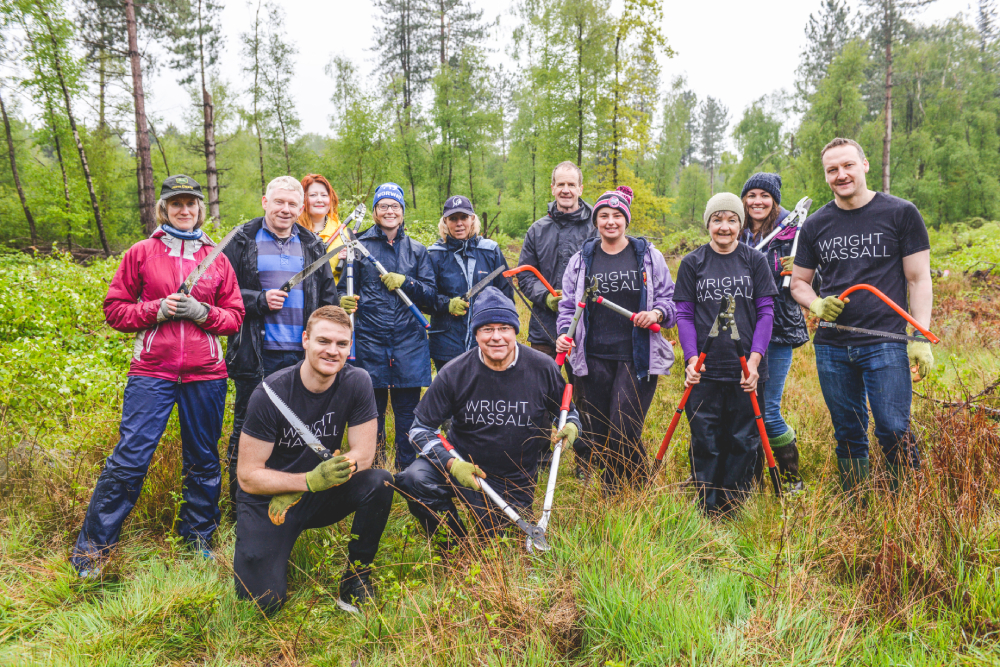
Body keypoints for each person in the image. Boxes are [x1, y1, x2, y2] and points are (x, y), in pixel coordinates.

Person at [71, 175, 245, 575]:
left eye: (191, 203)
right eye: (176, 203)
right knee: (129, 461)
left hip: (207, 374)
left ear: (201, 208)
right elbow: (115, 310)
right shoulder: (141, 253)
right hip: (153, 372)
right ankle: (93, 553)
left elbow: (235, 316)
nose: (184, 210)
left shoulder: (216, 257)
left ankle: (197, 540)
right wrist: (156, 310)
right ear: (163, 208)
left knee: (202, 461)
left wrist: (204, 314)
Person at [790, 138, 933, 494]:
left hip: (886, 341)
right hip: (832, 345)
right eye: (832, 170)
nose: (841, 175)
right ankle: (857, 505)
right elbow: (798, 284)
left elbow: (918, 279)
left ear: (865, 165)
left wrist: (920, 336)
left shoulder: (901, 213)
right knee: (848, 431)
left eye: (848, 165)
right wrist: (817, 304)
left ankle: (906, 506)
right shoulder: (816, 225)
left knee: (893, 427)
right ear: (825, 175)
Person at [234, 306, 393, 614]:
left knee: (380, 481)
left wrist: (322, 479)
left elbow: (364, 454)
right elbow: (247, 475)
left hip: (321, 493)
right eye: (323, 341)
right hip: (271, 500)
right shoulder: (270, 394)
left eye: (342, 344)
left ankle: (356, 578)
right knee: (262, 603)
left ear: (350, 346)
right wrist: (304, 481)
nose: (332, 351)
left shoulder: (357, 381)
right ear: (305, 340)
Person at [397, 287, 581, 546]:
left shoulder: (542, 367)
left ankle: (490, 531)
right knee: (414, 479)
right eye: (487, 329)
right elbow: (419, 429)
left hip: (512, 478)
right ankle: (454, 547)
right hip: (463, 466)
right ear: (476, 334)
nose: (497, 337)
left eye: (504, 328)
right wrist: (452, 464)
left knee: (498, 544)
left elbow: (567, 411)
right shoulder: (455, 372)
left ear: (515, 331)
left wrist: (571, 426)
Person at [223, 175, 339, 509]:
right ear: (265, 202)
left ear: (300, 208)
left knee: (300, 429)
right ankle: (242, 506)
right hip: (255, 355)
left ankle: (297, 504)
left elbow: (327, 301)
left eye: (292, 204)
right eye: (279, 202)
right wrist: (258, 300)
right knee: (247, 431)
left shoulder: (313, 245)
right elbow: (222, 292)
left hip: (301, 357)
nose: (285, 210)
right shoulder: (242, 239)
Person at [555, 186, 676, 495]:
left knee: (624, 428)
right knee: (599, 431)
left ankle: (627, 490)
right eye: (604, 215)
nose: (611, 221)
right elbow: (569, 305)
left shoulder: (647, 255)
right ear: (596, 220)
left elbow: (670, 300)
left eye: (617, 215)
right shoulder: (583, 258)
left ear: (626, 219)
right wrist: (563, 335)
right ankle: (624, 492)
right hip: (592, 356)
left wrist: (658, 314)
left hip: (636, 356)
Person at [674, 193, 777, 516]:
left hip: (746, 369)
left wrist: (756, 361)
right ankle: (707, 504)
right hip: (704, 369)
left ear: (741, 223)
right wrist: (691, 359)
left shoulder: (754, 261)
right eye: (717, 219)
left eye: (732, 220)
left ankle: (733, 507)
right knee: (705, 437)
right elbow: (684, 315)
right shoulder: (693, 263)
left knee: (743, 438)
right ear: (708, 224)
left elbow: (766, 313)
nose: (724, 227)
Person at [338, 182, 436, 472]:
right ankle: (376, 473)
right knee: (372, 414)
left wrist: (407, 282)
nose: (390, 211)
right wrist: (342, 300)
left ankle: (408, 474)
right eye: (384, 206)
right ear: (375, 212)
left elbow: (430, 296)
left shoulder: (417, 251)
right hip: (369, 343)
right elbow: (344, 288)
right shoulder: (358, 246)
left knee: (408, 414)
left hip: (409, 344)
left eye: (395, 206)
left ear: (403, 211)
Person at [517, 161, 596, 477]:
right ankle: (539, 456)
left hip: (587, 328)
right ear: (552, 188)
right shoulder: (538, 229)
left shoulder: (595, 227)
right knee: (539, 391)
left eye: (571, 185)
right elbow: (524, 275)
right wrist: (545, 297)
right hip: (544, 327)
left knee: (584, 393)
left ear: (580, 188)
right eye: (560, 185)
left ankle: (585, 460)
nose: (565, 190)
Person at [740, 173, 809, 493]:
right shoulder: (735, 230)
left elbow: (811, 284)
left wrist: (798, 270)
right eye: (751, 195)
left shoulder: (793, 234)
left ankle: (791, 474)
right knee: (744, 405)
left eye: (764, 196)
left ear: (774, 200)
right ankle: (751, 477)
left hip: (778, 329)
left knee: (767, 410)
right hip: (740, 330)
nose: (757, 201)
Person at [427, 195, 513, 371]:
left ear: (472, 219)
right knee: (450, 394)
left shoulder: (490, 251)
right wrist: (446, 304)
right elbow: (425, 297)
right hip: (446, 344)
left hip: (486, 342)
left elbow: (506, 296)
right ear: (445, 222)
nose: (459, 223)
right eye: (453, 218)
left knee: (483, 394)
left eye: (463, 217)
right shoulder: (434, 254)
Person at [297, 173, 346, 281]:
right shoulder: (292, 232)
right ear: (302, 199)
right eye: (313, 195)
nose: (320, 200)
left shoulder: (344, 233)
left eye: (324, 195)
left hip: (334, 296)